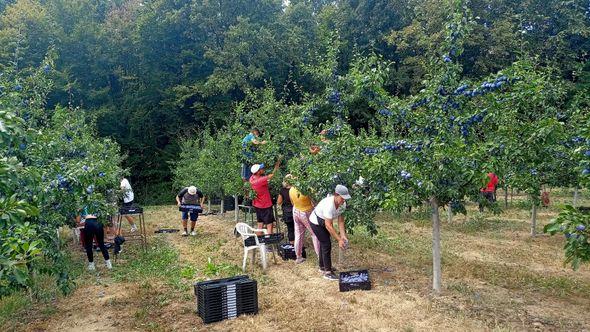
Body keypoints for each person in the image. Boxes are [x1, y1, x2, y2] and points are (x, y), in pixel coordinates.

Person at [309, 185, 351, 280]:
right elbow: (328, 225)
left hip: (324, 222)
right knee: (326, 244)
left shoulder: (342, 205)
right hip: (315, 222)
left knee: (324, 243)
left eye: (345, 198)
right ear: (336, 195)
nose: (344, 200)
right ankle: (327, 272)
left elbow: (340, 221)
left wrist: (343, 236)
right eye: (342, 198)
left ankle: (322, 266)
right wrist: (339, 240)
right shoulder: (329, 205)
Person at [289, 184, 320, 264]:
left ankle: (298, 257)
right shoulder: (307, 188)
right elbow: (314, 201)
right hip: (306, 212)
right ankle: (320, 258)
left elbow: (292, 202)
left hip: (296, 211)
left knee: (298, 234)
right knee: (315, 234)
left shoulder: (291, 189)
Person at [249, 159, 281, 235]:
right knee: (269, 225)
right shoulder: (261, 180)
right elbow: (272, 175)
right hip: (265, 205)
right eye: (261, 169)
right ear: (258, 171)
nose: (263, 169)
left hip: (257, 205)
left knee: (260, 224)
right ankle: (269, 242)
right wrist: (276, 167)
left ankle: (259, 242)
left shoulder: (251, 178)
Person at [77, 206, 112, 271]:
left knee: (89, 245)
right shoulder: (97, 203)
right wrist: (107, 227)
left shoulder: (83, 205)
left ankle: (91, 265)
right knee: (101, 244)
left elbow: (78, 220)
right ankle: (108, 263)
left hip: (89, 223)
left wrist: (79, 211)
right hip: (98, 222)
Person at [276, 175, 295, 244]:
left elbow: (279, 202)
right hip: (296, 211)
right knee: (298, 229)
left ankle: (292, 246)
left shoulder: (283, 190)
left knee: (290, 229)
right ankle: (299, 246)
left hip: (287, 212)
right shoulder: (296, 189)